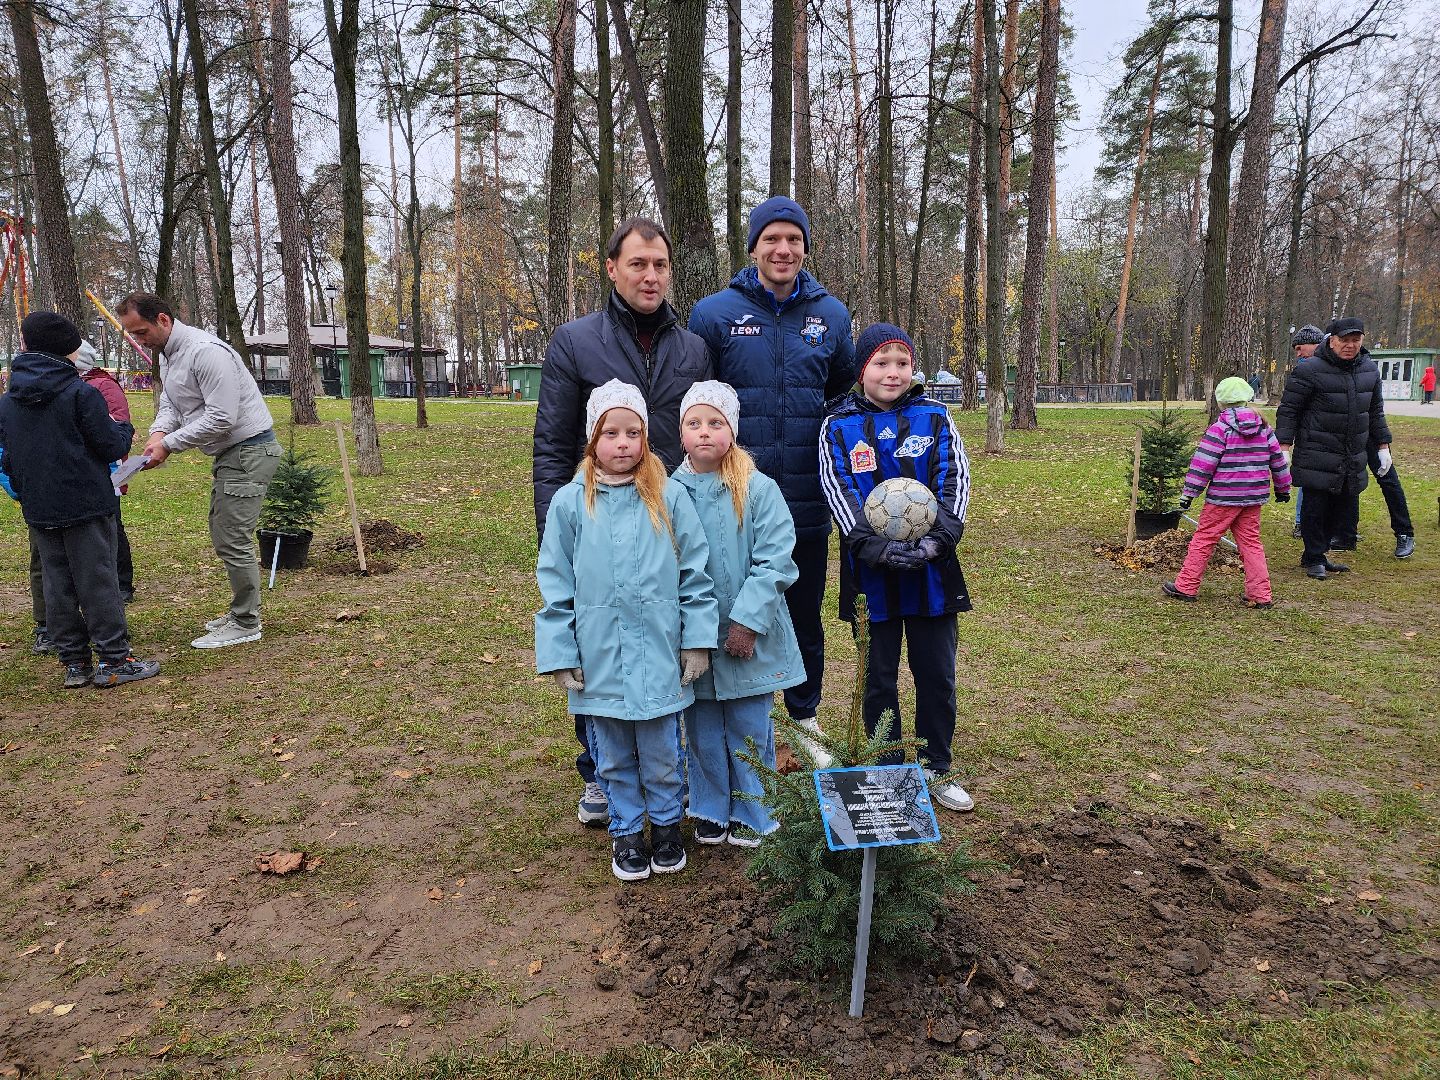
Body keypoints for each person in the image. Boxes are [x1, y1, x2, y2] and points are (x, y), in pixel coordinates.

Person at [532, 217, 712, 828]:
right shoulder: (575, 342)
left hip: (662, 521)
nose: (651, 275)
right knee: (598, 646)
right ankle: (599, 774)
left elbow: (701, 442)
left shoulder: (691, 349)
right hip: (596, 521)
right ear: (612, 269)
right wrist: (557, 533)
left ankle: (666, 773)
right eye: (638, 264)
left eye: (660, 264)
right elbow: (554, 447)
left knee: (658, 649)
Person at [535, 381, 718, 883]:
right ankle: (627, 831)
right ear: (593, 439)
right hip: (600, 659)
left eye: (632, 433)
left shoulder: (669, 497)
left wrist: (697, 639)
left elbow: (695, 574)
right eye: (610, 433)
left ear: (645, 438)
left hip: (659, 653)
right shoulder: (571, 504)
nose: (622, 443)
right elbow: (555, 582)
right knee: (611, 753)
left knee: (662, 751)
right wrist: (559, 650)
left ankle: (664, 827)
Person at [689, 196, 855, 745]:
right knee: (732, 601)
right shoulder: (714, 314)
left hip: (807, 495)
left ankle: (803, 713)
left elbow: (836, 387)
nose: (783, 250)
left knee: (804, 610)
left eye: (794, 240)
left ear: (807, 246)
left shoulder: (831, 316)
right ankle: (723, 710)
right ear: (754, 246)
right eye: (772, 239)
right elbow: (701, 404)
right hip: (734, 496)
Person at [819, 324, 974, 812]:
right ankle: (888, 772)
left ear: (914, 370)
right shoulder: (837, 425)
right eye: (880, 363)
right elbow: (838, 488)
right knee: (877, 677)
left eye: (902, 363)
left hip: (933, 572)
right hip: (871, 575)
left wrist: (937, 541)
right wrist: (874, 548)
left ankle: (936, 768)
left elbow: (954, 479)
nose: (892, 372)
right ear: (862, 369)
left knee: (937, 675)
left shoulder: (935, 418)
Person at [673, 381, 803, 847]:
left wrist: (748, 621)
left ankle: (755, 809)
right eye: (694, 423)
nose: (704, 433)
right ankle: (709, 806)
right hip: (696, 637)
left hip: (752, 637)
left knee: (750, 726)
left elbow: (776, 559)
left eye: (716, 423)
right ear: (681, 432)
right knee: (703, 725)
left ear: (732, 429)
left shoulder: (758, 489)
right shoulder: (668, 493)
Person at [0, 312, 159, 689]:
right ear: (68, 349)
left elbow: (9, 455)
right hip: (85, 502)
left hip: (39, 504)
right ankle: (115, 659)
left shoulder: (8, 402)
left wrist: (24, 490)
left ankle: (74, 662)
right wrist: (124, 427)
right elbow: (110, 444)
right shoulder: (80, 393)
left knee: (57, 583)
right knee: (97, 580)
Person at [117, 293, 279, 648]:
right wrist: (159, 432)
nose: (139, 341)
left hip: (249, 450)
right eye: (133, 335)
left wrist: (170, 444)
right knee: (225, 534)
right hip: (232, 454)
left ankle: (246, 622)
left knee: (232, 539)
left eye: (141, 332)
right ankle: (241, 611)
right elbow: (172, 404)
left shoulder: (205, 352)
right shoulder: (170, 356)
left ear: (163, 320)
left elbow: (223, 417)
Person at [1275, 317, 1390, 580]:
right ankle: (1314, 555)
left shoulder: (1369, 370)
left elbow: (1375, 411)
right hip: (1317, 449)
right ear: (1332, 340)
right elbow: (1289, 410)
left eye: (1355, 340)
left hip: (1351, 451)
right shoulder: (1309, 370)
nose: (1350, 345)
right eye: (1345, 340)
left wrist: (1383, 444)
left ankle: (1317, 553)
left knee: (1341, 507)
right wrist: (1283, 445)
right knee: (1316, 505)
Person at [1162, 377, 1291, 608]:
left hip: (1222, 499)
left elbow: (1203, 465)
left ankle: (1186, 585)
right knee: (1251, 542)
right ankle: (1260, 594)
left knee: (1204, 539)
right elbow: (1278, 462)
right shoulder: (1265, 428)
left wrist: (1188, 495)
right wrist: (1283, 489)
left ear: (1220, 403)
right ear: (1247, 398)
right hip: (1253, 499)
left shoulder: (1220, 429)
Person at [73, 342, 136, 602]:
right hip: (83, 467)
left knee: (112, 527)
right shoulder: (75, 386)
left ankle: (122, 583)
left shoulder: (103, 385)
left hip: (109, 468)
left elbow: (119, 424)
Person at [1286, 325, 1323, 539]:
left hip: (1326, 436)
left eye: (1301, 348)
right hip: (1308, 436)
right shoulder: (1302, 371)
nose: (1299, 353)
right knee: (1308, 481)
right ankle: (1301, 521)